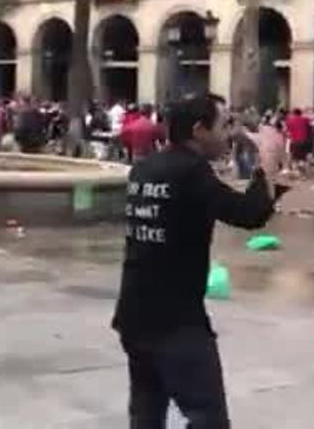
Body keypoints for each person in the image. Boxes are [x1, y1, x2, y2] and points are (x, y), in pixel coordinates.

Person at [112, 93, 281, 429]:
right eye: (222, 125)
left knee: (146, 415)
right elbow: (249, 214)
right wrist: (270, 161)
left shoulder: (145, 168)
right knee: (209, 419)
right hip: (175, 323)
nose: (228, 134)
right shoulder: (190, 171)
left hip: (134, 315)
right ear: (199, 130)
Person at [284, 107, 311, 177]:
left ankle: (297, 173)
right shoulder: (305, 120)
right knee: (303, 158)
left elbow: (286, 130)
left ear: (293, 113)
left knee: (295, 158)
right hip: (304, 141)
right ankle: (304, 174)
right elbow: (310, 128)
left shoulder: (290, 120)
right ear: (301, 113)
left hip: (294, 142)